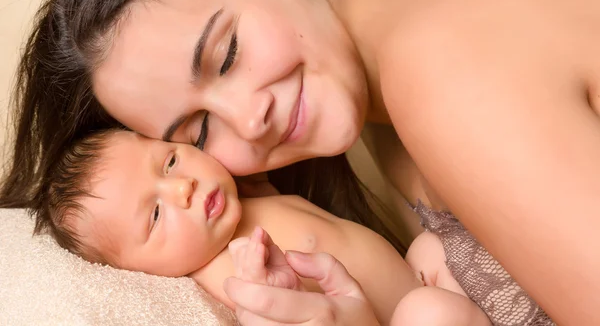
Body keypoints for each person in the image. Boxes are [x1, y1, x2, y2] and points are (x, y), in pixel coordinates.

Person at [1, 0, 599, 323]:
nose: (248, 118)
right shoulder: (382, 103)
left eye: (227, 54)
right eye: (200, 133)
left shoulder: (442, 71)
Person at [35, 129, 491, 325]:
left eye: (169, 160)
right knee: (430, 313)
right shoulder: (228, 273)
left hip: (414, 278)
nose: (182, 188)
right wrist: (268, 286)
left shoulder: (247, 192)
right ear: (140, 271)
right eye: (155, 215)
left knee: (433, 245)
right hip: (401, 318)